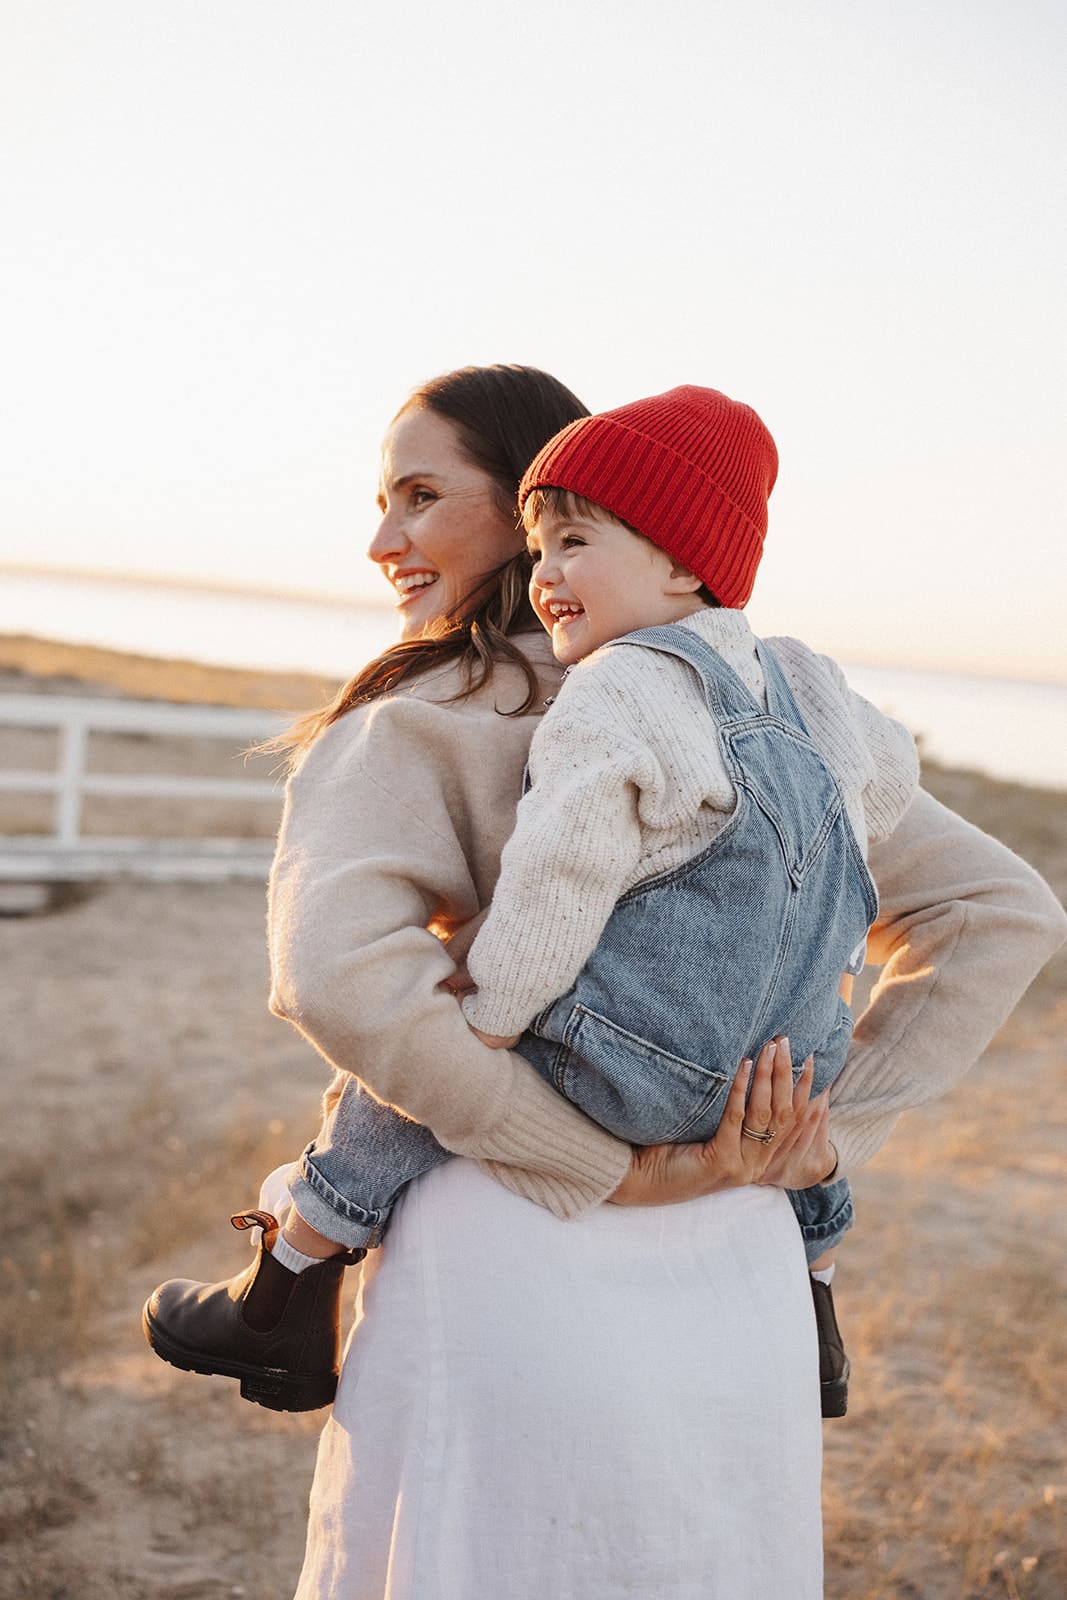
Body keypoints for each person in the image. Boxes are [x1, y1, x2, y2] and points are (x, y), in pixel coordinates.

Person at [143, 364, 1065, 1600]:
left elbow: (340, 978)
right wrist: (809, 1134)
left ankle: (290, 1267)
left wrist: (591, 1161)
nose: (383, 539)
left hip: (514, 1253)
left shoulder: (430, 715)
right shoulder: (773, 714)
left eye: (422, 497)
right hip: (742, 1277)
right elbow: (998, 911)